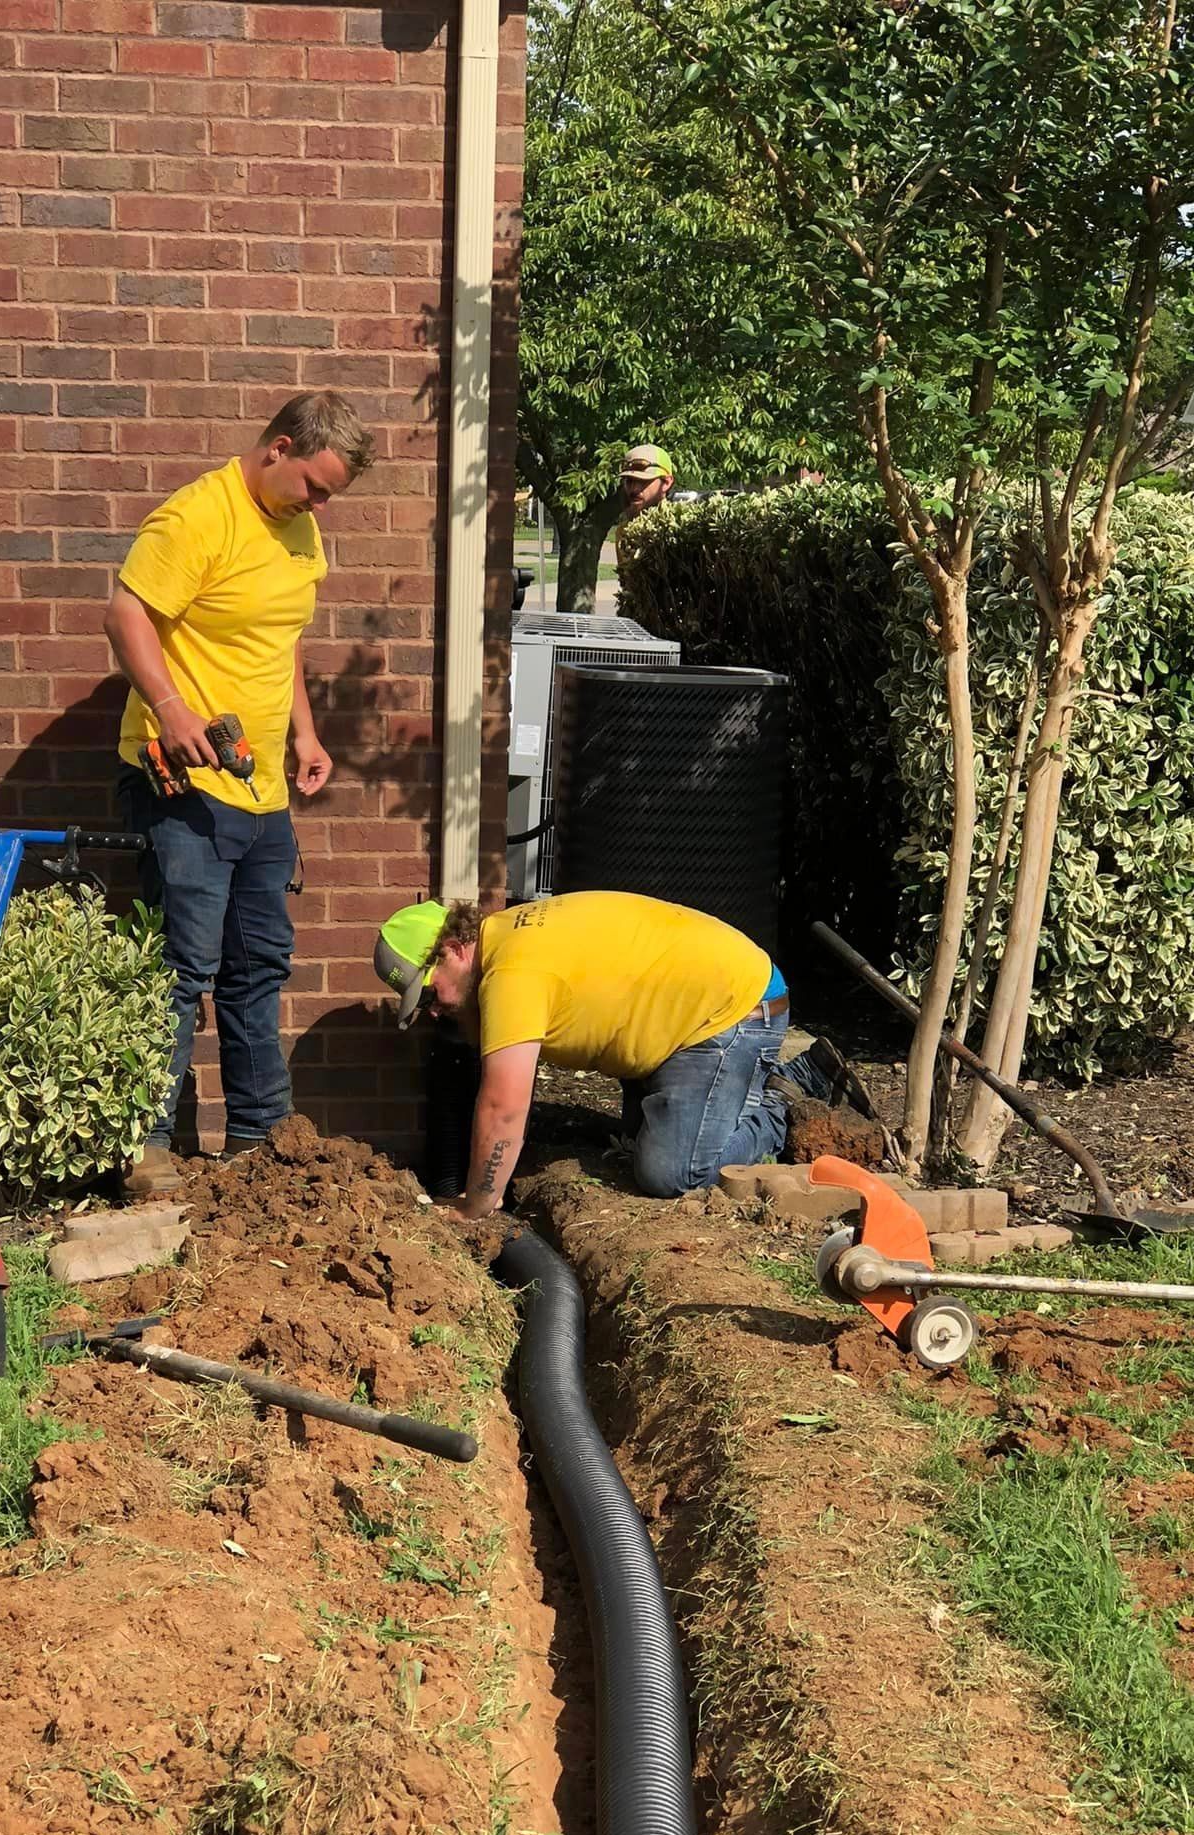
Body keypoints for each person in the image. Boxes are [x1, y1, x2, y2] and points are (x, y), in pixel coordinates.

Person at [106, 390, 375, 1194]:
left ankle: (261, 1144)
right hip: (182, 782)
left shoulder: (300, 528)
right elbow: (127, 614)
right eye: (316, 486)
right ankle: (149, 1145)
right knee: (180, 966)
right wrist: (172, 708)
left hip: (261, 792)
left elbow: (279, 638)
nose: (322, 504)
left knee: (258, 964)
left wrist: (305, 732)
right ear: (278, 448)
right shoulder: (197, 518)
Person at [374, 893, 871, 1220]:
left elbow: (503, 1106)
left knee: (672, 1173)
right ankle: (748, 1092)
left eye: (430, 994)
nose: (433, 1012)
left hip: (731, 1011)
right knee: (634, 1140)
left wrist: (477, 1205)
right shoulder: (506, 934)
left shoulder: (513, 976)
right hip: (682, 1015)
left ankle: (784, 1100)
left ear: (455, 949)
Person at [618, 443, 676, 521]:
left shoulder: (685, 527)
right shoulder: (622, 531)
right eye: (629, 481)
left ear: (666, 482)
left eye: (642, 481)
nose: (634, 489)